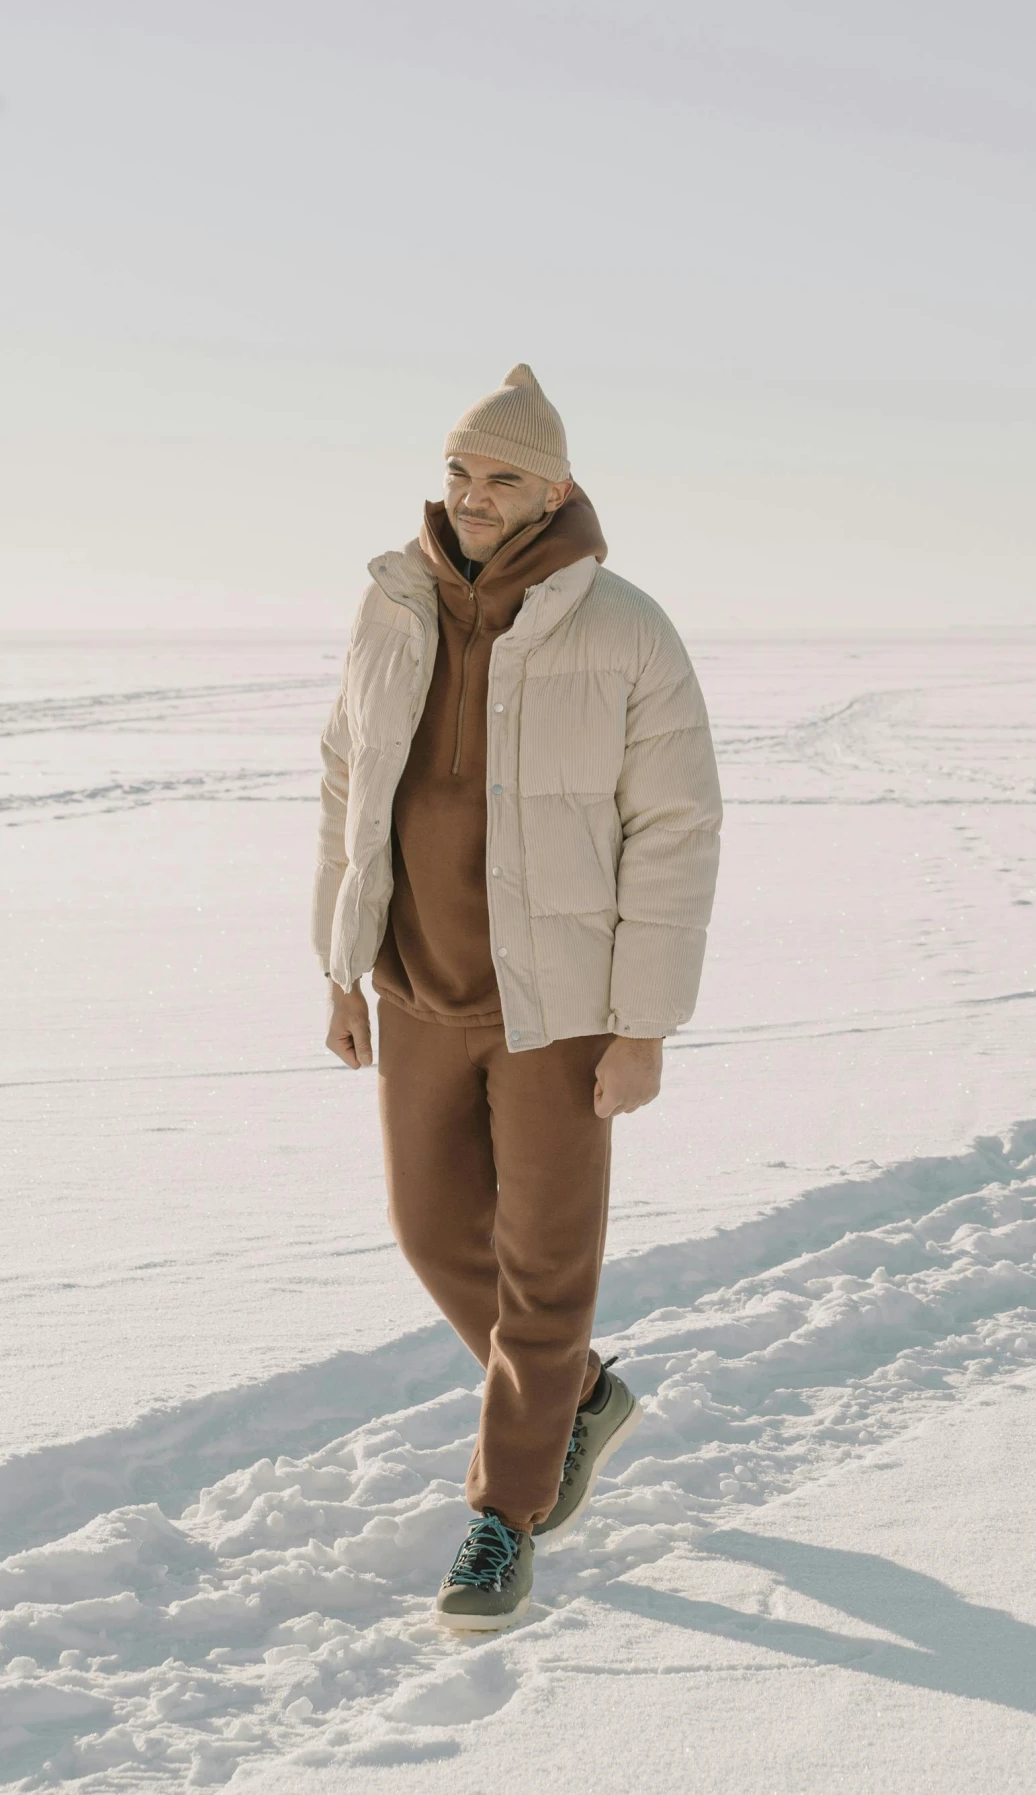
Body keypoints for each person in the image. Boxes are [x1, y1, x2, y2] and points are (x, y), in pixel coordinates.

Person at [313, 363, 721, 1631]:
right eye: (459, 472)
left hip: (560, 1004)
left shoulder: (624, 625)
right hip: (416, 983)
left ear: (553, 491)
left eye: (502, 477)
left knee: (545, 1265)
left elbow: (675, 827)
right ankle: (578, 1394)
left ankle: (505, 1509)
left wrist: (643, 1022)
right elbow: (344, 783)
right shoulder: (391, 604)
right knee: (436, 1232)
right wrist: (338, 964)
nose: (474, 497)